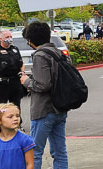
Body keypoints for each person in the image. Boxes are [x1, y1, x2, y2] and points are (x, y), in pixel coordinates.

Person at [19, 22, 69, 169]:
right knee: (60, 152)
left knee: (34, 151)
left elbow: (43, 85)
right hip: (60, 107)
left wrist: (26, 81)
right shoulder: (59, 53)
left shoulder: (40, 55)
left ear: (30, 40)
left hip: (43, 110)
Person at [0, 30, 25, 123]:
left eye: (10, 36)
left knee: (16, 105)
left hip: (15, 82)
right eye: (7, 37)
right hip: (2, 82)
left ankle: (17, 124)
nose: (9, 39)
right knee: (1, 107)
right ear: (1, 38)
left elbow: (21, 64)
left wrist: (22, 72)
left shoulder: (15, 49)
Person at [0, 103, 34, 169]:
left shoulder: (25, 140)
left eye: (17, 116)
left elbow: (30, 165)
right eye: (10, 117)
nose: (16, 119)